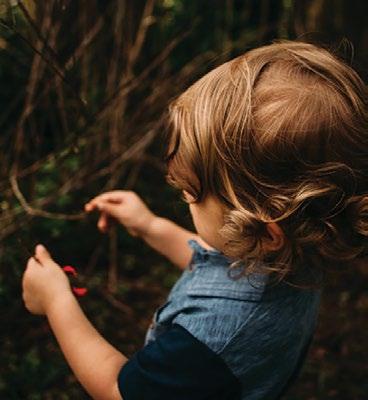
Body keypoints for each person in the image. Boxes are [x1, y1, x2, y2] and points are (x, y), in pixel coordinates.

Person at [22, 40, 368, 400]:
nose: (184, 197)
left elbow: (116, 389)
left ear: (265, 232)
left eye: (191, 192)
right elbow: (218, 267)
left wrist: (55, 301)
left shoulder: (207, 344)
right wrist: (150, 226)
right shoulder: (298, 254)